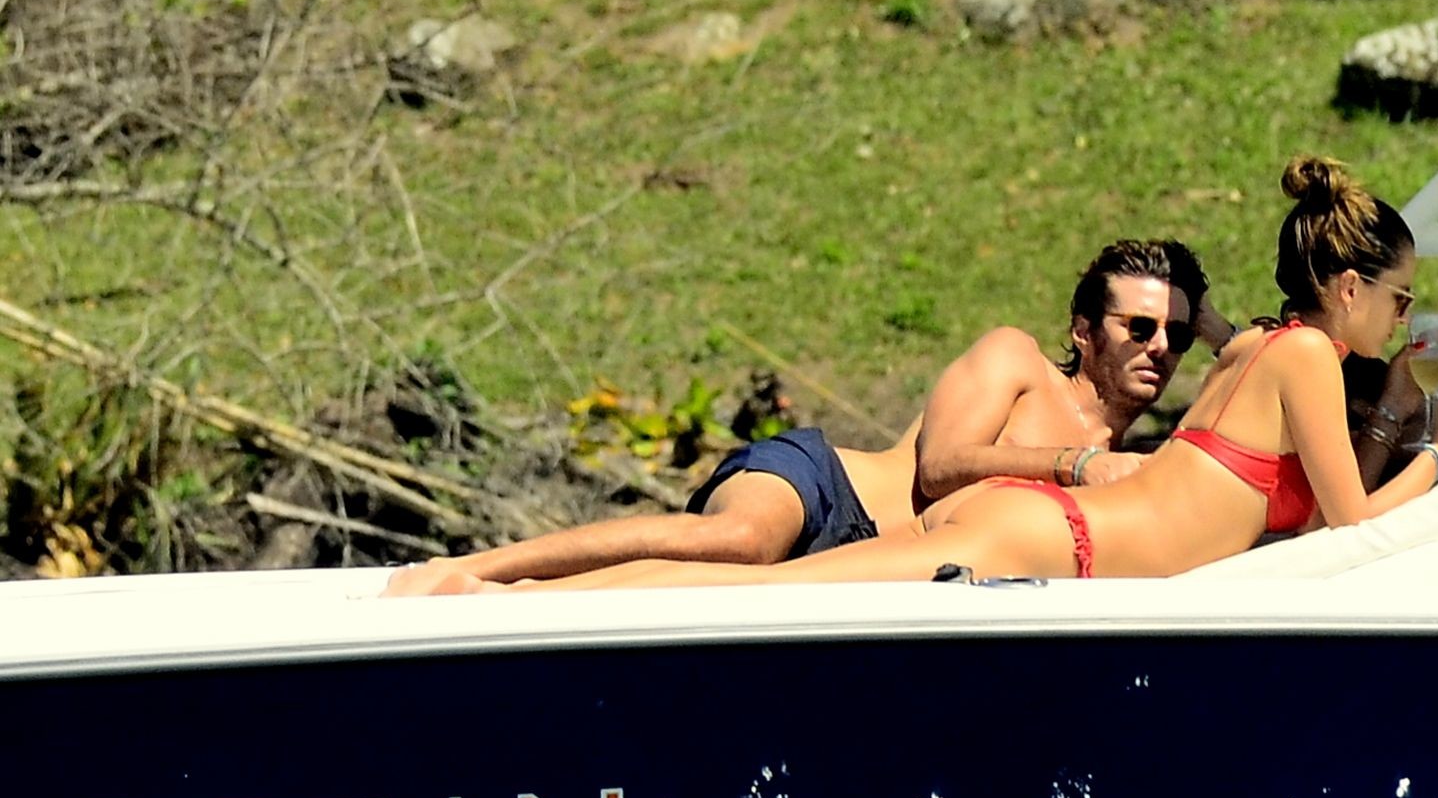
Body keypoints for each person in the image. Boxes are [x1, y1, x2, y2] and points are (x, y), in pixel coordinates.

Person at [460, 156, 1438, 593]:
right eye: (1397, 298)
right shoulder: (1298, 354)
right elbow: (1352, 520)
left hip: (1047, 531)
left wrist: (1404, 410)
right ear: (1347, 288)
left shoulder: (1264, 350)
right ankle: (502, 594)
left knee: (759, 587)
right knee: (752, 580)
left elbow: (1307, 478)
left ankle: (508, 592)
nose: (1403, 316)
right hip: (1042, 535)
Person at [383, 238, 1220, 595]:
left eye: (1177, 335)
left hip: (871, 574)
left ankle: (532, 595)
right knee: (739, 543)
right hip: (822, 486)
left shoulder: (1143, 463)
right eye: (1139, 326)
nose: (1160, 346)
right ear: (1083, 330)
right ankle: (484, 572)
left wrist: (1214, 323)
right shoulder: (1017, 360)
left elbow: (1258, 370)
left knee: (744, 576)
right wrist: (1074, 466)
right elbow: (940, 469)